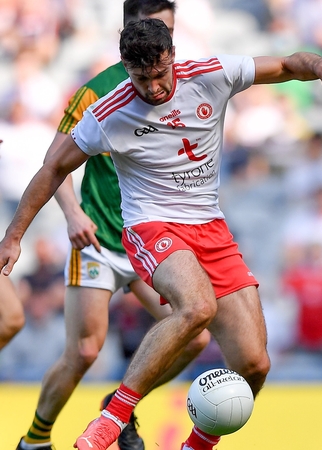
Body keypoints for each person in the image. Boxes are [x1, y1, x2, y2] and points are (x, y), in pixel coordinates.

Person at [0, 17, 322, 450]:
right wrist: (14, 235)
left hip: (211, 227)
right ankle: (112, 417)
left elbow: (287, 64)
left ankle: (195, 445)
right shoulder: (109, 113)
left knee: (254, 364)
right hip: (151, 225)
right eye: (141, 78)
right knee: (196, 307)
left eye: (159, 74)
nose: (153, 88)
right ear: (126, 69)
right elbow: (53, 167)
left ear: (173, 56)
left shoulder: (210, 75)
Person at [15, 3, 212, 450]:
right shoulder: (97, 92)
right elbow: (54, 163)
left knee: (195, 337)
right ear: (128, 32)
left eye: (168, 31)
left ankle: (119, 408)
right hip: (100, 239)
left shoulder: (182, 85)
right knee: (85, 350)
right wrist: (72, 213)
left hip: (150, 242)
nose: (161, 41)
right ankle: (35, 439)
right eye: (154, 28)